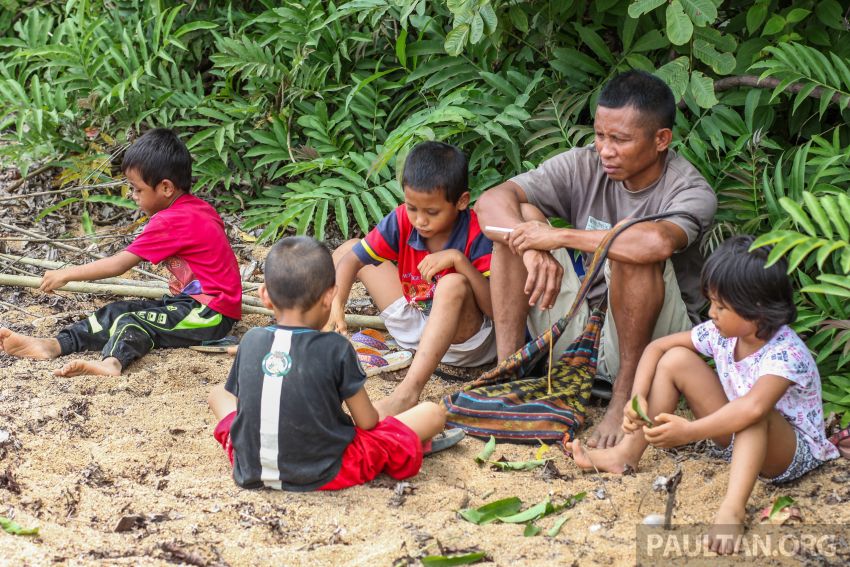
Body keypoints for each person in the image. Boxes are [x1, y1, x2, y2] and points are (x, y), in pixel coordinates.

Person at [474, 70, 717, 448]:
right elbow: (491, 201)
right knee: (518, 221)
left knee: (628, 245)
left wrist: (558, 236)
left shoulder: (689, 188)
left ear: (661, 140)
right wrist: (533, 248)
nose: (605, 149)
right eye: (600, 135)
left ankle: (623, 398)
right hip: (585, 325)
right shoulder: (585, 163)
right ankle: (509, 375)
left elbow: (654, 244)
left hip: (657, 342)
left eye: (619, 139)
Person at [568, 235, 839, 554]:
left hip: (788, 454)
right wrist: (636, 396)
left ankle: (733, 509)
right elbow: (657, 347)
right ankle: (625, 454)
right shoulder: (722, 334)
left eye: (721, 307)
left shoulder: (785, 353)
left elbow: (753, 409)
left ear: (758, 311)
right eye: (711, 302)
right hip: (735, 437)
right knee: (675, 360)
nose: (711, 312)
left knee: (754, 411)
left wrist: (690, 432)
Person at [208, 237, 461, 491]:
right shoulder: (336, 348)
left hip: (250, 463)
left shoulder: (251, 340)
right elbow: (367, 423)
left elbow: (248, 407)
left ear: (264, 295)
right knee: (432, 413)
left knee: (218, 393)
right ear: (330, 296)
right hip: (328, 468)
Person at [0, 128, 242, 376]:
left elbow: (119, 265)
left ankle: (112, 363)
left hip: (210, 313)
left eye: (137, 189)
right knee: (117, 311)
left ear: (166, 188)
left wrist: (67, 274)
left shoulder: (172, 221)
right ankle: (56, 344)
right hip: (190, 305)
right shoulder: (197, 208)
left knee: (132, 321)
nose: (134, 197)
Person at [327, 141, 495, 418]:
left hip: (465, 343)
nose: (419, 220)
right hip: (416, 324)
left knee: (452, 284)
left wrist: (459, 261)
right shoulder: (404, 219)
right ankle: (318, 333)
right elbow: (351, 262)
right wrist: (338, 307)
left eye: (432, 212)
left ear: (462, 202)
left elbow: (493, 309)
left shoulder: (476, 232)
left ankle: (407, 393)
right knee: (349, 249)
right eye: (412, 207)